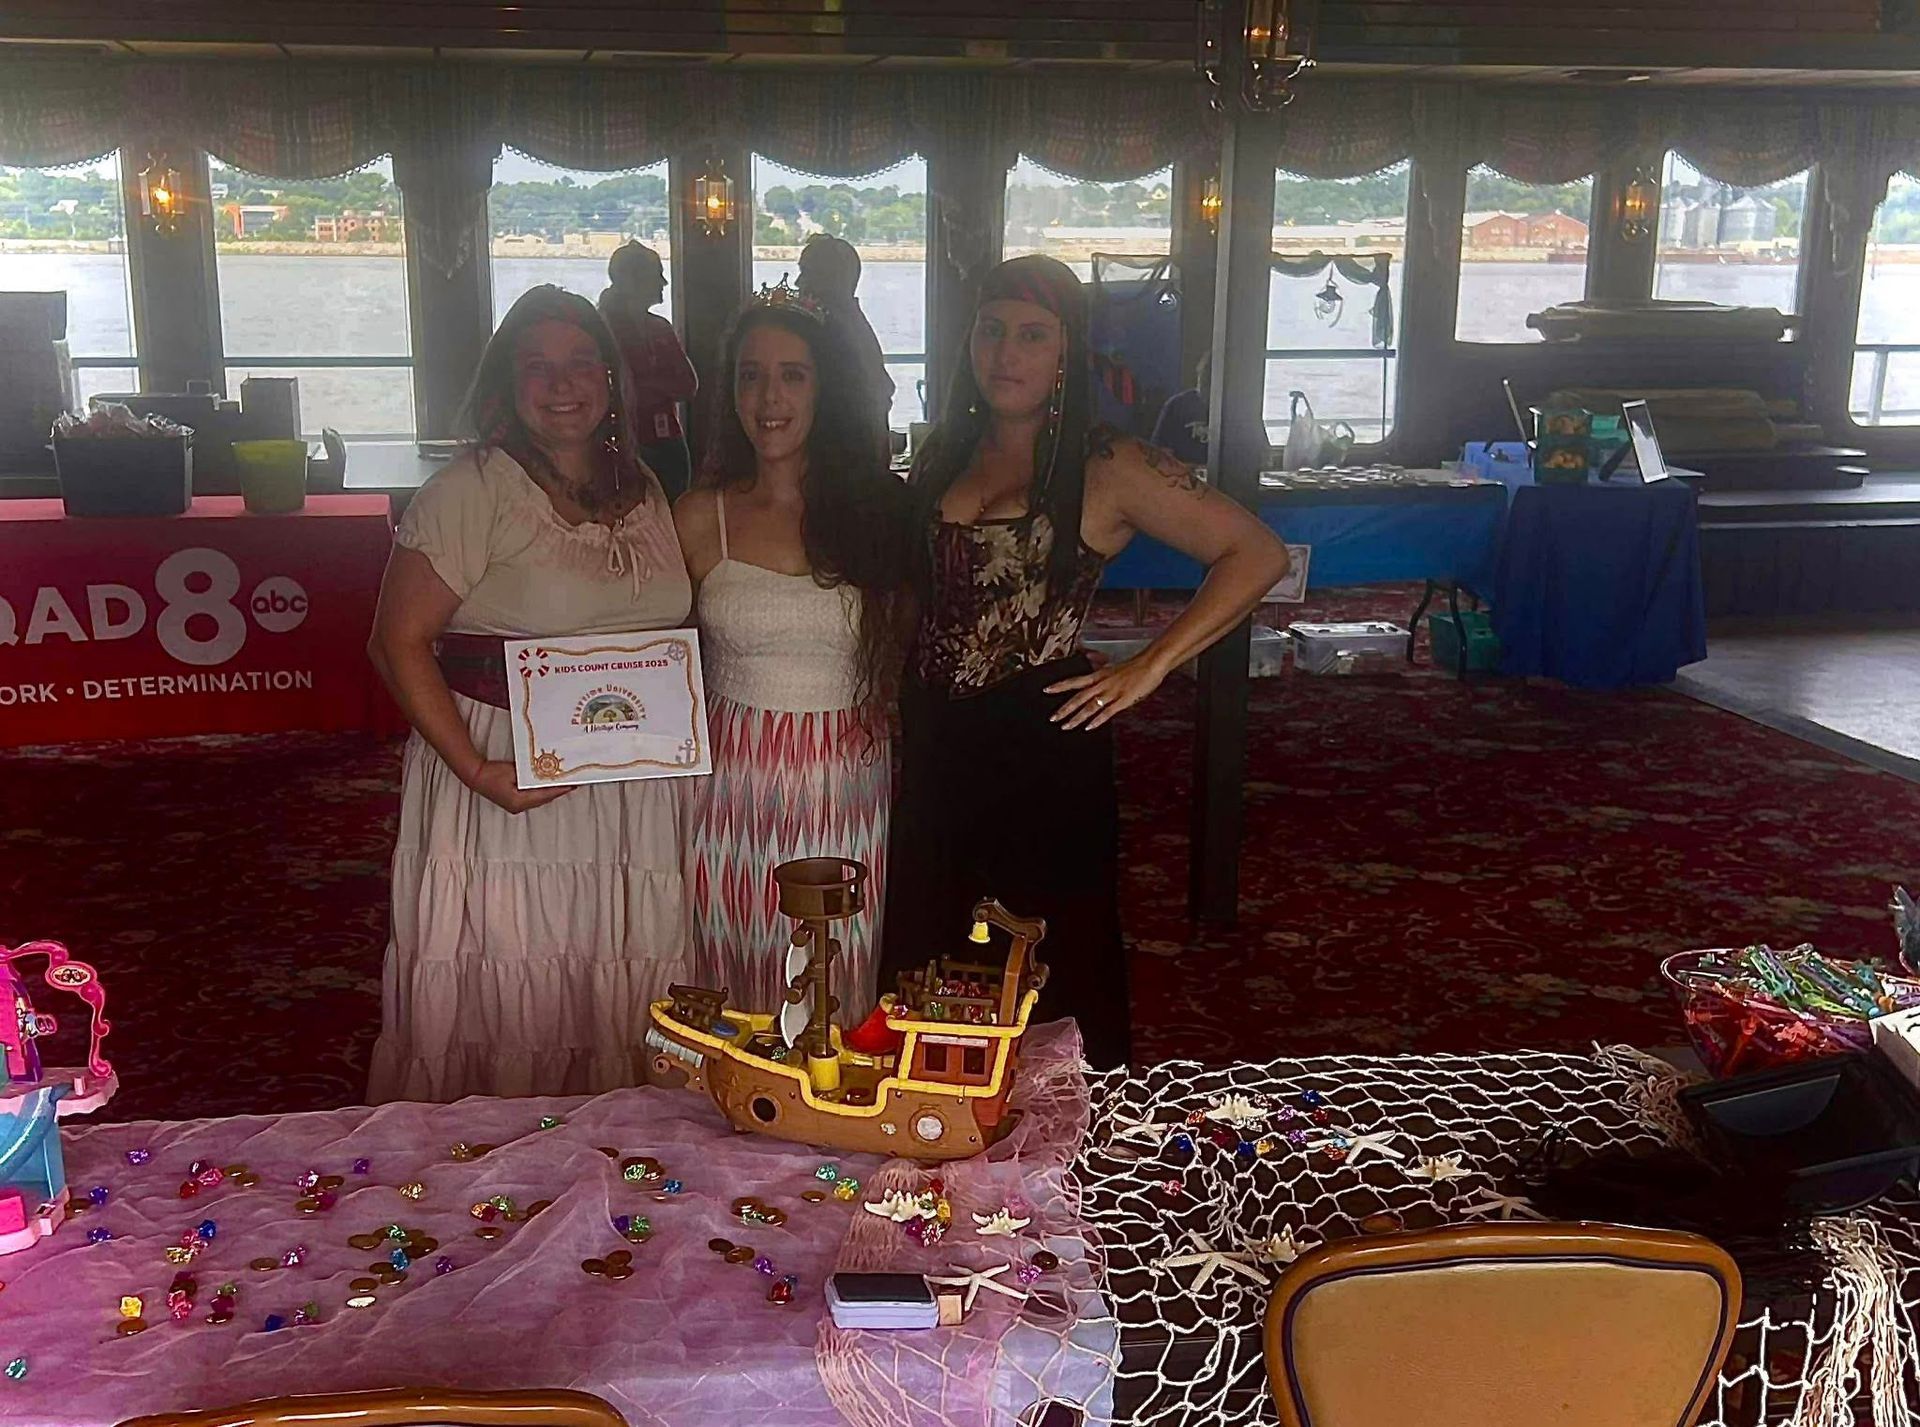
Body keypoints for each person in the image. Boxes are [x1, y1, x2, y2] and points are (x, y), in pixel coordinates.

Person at [879, 256, 1290, 1070]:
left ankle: (1056, 1153)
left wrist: (1152, 664)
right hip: (933, 742)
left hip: (1040, 740)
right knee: (932, 949)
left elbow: (1256, 552)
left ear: (1068, 352)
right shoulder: (946, 450)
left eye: (1033, 335)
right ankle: (931, 1138)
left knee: (1043, 956)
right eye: (991, 330)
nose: (1007, 353)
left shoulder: (1109, 463)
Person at [365, 285, 690, 1102]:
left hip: (629, 784)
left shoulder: (645, 487)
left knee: (613, 969)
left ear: (612, 379)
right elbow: (394, 641)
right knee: (518, 971)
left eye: (582, 362)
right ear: (505, 384)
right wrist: (478, 770)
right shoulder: (471, 490)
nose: (563, 382)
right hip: (509, 774)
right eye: (537, 366)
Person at [675, 286, 911, 1019]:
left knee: (832, 977)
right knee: (725, 967)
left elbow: (908, 649)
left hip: (844, 773)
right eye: (750, 374)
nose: (768, 396)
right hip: (728, 780)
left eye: (792, 375)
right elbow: (646, 653)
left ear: (825, 388)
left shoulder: (879, 512)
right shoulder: (696, 515)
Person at [599, 241, 698, 499]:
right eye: (657, 275)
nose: (664, 283)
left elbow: (688, 385)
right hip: (619, 443)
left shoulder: (660, 328)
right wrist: (658, 385)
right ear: (634, 281)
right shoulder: (600, 330)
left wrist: (642, 385)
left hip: (667, 442)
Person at [796, 235, 895, 436]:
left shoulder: (832, 332)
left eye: (805, 273)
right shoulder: (856, 326)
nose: (798, 283)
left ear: (828, 279)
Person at [1150, 351, 1210, 467]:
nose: (1205, 386)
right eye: (1204, 379)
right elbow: (1159, 458)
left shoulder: (1239, 416)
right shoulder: (1177, 406)